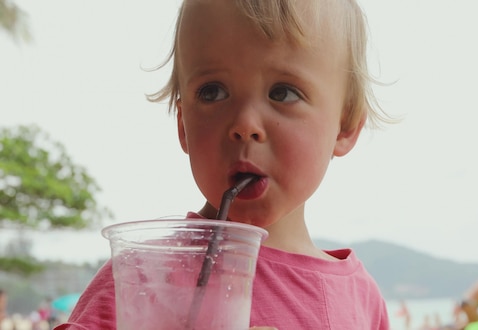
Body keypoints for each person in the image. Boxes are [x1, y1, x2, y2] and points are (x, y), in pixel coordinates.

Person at [54, 0, 392, 329]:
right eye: (212, 92)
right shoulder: (146, 277)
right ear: (183, 124)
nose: (245, 124)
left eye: (283, 93)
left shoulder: (363, 300)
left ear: (345, 126)